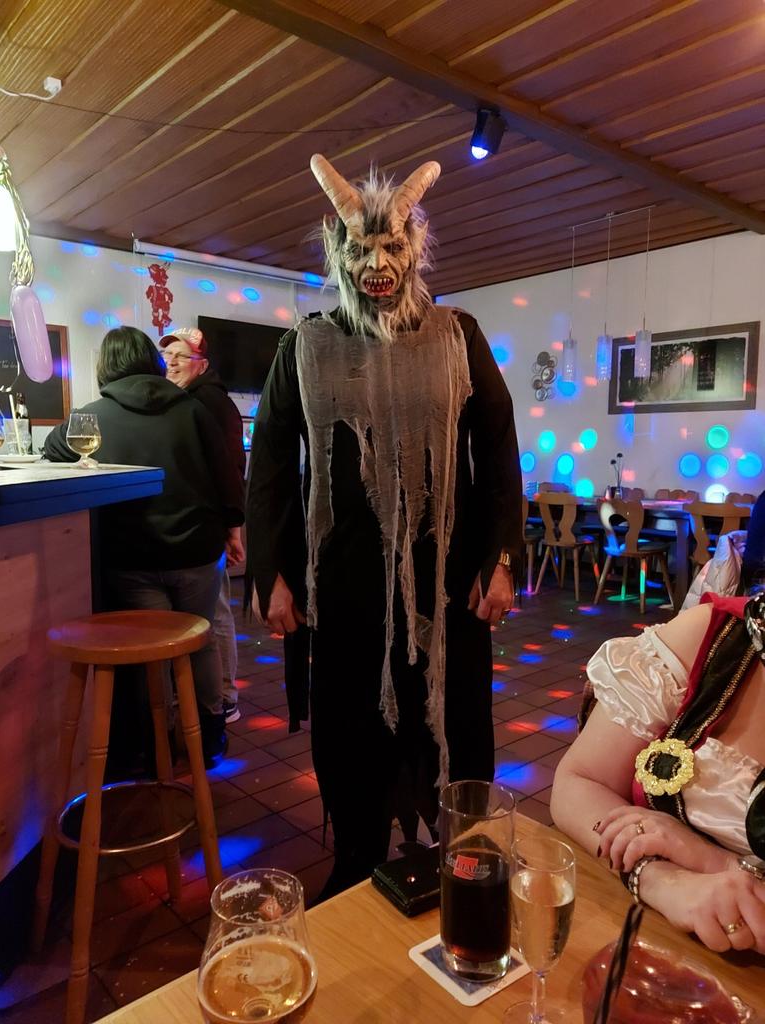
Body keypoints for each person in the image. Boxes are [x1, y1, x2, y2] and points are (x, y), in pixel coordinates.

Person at [246, 153, 522, 895]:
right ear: (338, 254)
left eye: (391, 247)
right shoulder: (305, 345)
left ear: (413, 249)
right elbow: (269, 462)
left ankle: (464, 858)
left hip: (446, 581)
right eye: (360, 250)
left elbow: (498, 447)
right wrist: (270, 571)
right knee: (350, 724)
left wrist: (500, 557)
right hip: (343, 585)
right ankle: (357, 859)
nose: (377, 266)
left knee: (453, 719)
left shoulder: (457, 335)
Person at [44, 326, 244, 767]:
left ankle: (157, 743)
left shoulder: (92, 416)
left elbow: (52, 450)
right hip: (197, 551)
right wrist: (234, 529)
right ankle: (209, 738)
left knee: (153, 652)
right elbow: (227, 477)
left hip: (132, 556)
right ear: (153, 362)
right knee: (201, 641)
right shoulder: (193, 410)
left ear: (105, 366)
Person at [551, 591, 765, 955]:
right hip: (643, 944)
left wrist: (712, 860)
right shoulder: (713, 634)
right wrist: (662, 881)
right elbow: (579, 781)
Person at [160, 326, 246, 724]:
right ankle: (213, 693)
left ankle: (225, 697)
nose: (172, 363)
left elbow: (231, 469)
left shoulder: (209, 402)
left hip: (208, 527)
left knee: (216, 613)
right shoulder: (191, 400)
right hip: (205, 525)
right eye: (168, 356)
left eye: (181, 356)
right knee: (210, 612)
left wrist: (232, 527)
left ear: (203, 364)